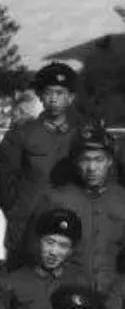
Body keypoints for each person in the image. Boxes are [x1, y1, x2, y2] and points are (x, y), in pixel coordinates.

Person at [24, 123, 125, 293]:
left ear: (110, 161)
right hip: (64, 296)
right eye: (85, 160)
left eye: (98, 160)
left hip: (114, 296)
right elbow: (33, 250)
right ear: (75, 162)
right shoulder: (54, 199)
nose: (92, 168)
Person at [0, 63, 80, 255]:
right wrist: (18, 209)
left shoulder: (83, 135)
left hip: (72, 222)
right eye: (48, 92)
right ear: (41, 96)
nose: (53, 98)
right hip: (27, 224)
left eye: (60, 93)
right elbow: (3, 178)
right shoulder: (20, 134)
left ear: (71, 97)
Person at [0, 208, 83, 309]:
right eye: (49, 242)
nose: (53, 251)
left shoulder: (80, 284)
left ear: (71, 251)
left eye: (63, 246)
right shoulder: (11, 283)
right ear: (38, 241)